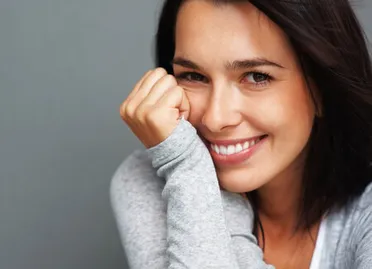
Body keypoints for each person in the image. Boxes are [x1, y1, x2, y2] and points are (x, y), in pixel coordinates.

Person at [110, 0, 372, 268]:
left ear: (322, 89)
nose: (215, 119)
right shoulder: (152, 177)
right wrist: (188, 169)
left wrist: (187, 168)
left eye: (257, 77)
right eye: (193, 76)